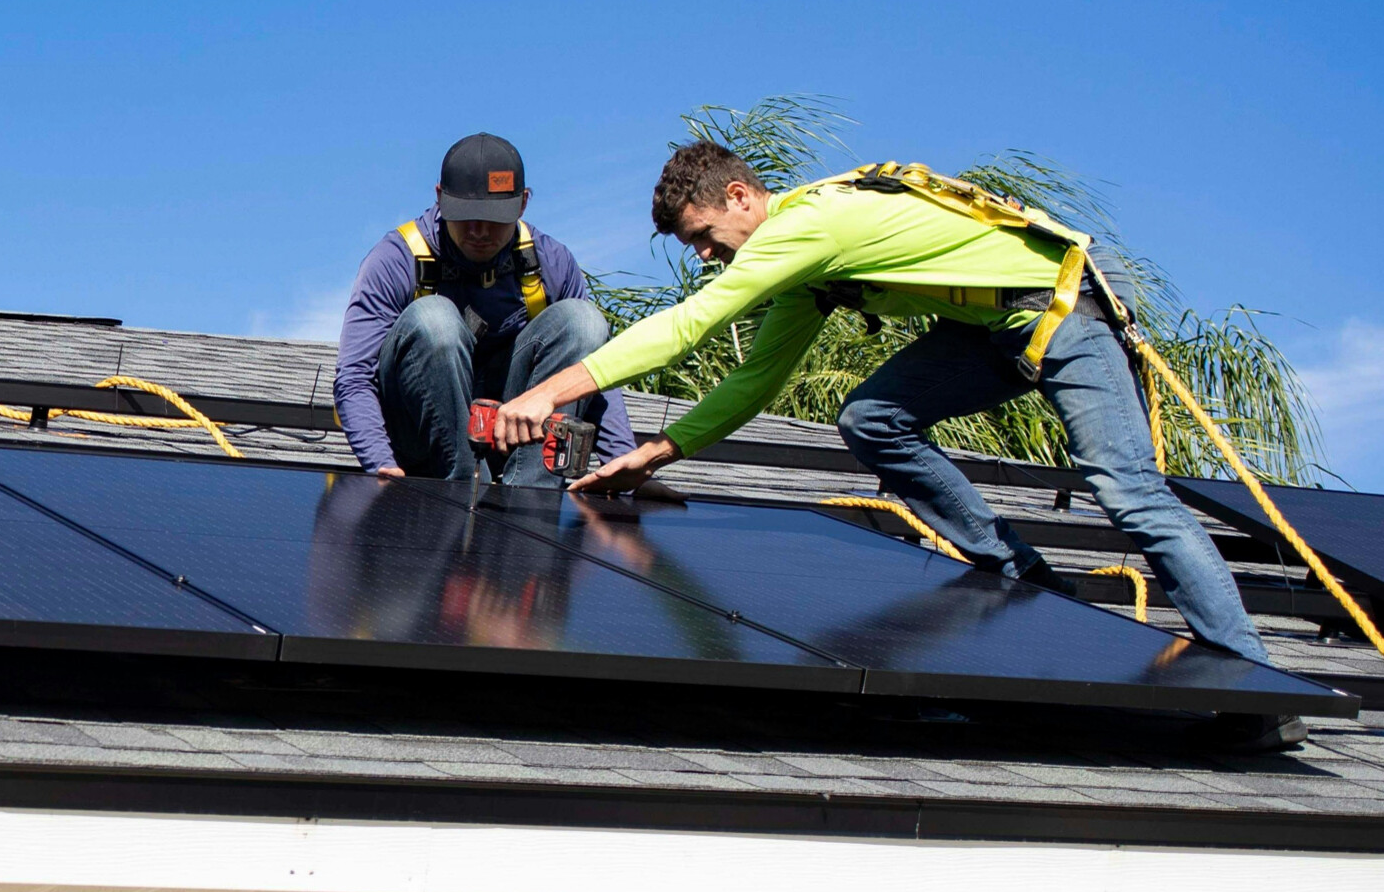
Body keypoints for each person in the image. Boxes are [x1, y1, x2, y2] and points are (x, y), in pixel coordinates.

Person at [494, 139, 1302, 752]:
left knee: (1122, 486)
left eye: (705, 236)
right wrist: (660, 453)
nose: (706, 257)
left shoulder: (808, 228)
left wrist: (544, 393)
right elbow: (755, 385)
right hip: (992, 331)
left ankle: (1253, 683)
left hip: (1065, 310)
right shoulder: (807, 264)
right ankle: (1020, 575)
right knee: (872, 418)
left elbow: (686, 327)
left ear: (741, 197)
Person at [333, 132, 642, 489]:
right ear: (439, 197)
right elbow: (354, 376)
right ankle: (457, 487)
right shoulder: (396, 259)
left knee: (584, 322)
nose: (479, 231)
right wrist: (379, 465)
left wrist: (624, 468)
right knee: (434, 319)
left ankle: (529, 496)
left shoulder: (550, 262)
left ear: (523, 203)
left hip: (509, 436)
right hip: (420, 448)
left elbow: (593, 375)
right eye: (465, 217)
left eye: (494, 219)